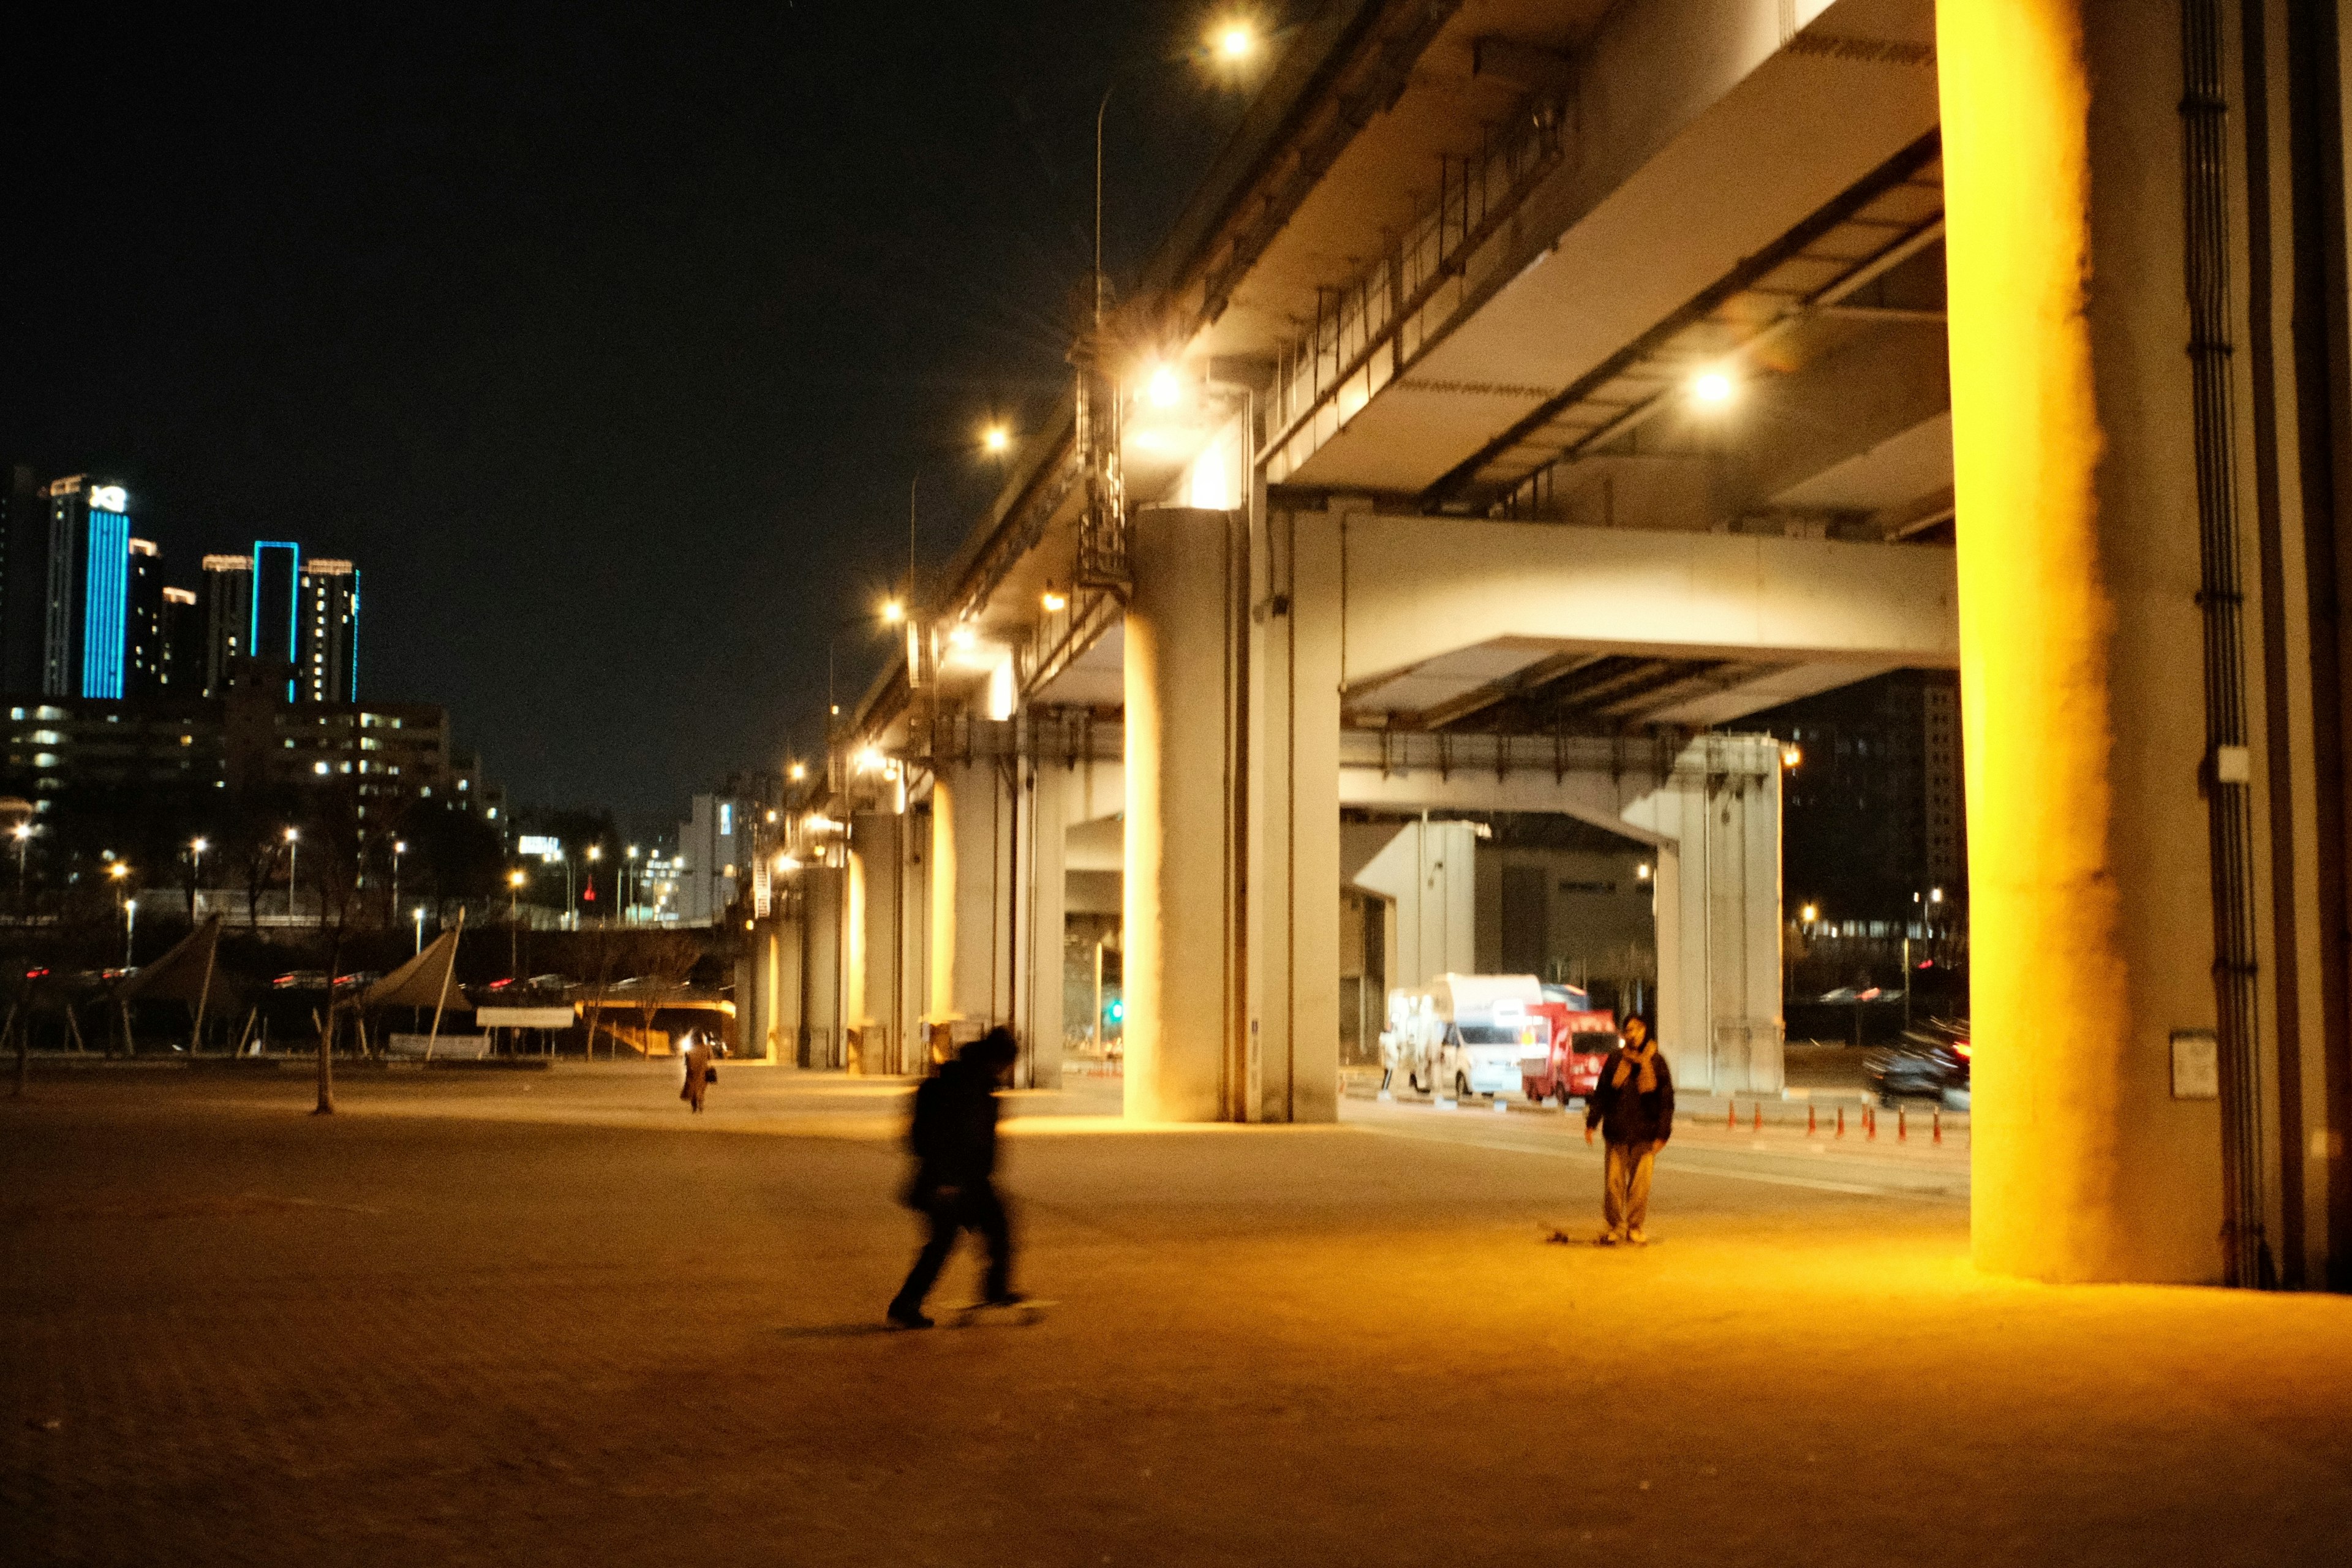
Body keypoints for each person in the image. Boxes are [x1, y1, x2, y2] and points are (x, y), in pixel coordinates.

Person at [888, 1027, 1022, 1329]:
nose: (1008, 1069)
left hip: (969, 1179)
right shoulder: (964, 1087)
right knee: (946, 1242)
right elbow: (942, 1138)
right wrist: (946, 1181)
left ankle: (992, 1290)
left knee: (991, 1229)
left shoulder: (976, 1083)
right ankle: (906, 1304)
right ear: (996, 1059)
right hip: (950, 1182)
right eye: (1007, 1062)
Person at [1583, 1014, 1673, 1245]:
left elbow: (1666, 1101)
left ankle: (1635, 1227)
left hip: (1646, 1135)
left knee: (1640, 1187)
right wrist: (1592, 1123)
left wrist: (1663, 1133)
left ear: (1645, 1031)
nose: (1632, 1034)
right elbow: (1602, 1094)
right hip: (1617, 1133)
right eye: (1628, 1030)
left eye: (1636, 1029)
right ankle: (1616, 1226)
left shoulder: (1657, 1063)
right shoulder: (1615, 1061)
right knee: (1613, 1185)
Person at [680, 1031, 714, 1114]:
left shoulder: (691, 1049)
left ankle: (694, 1107)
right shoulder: (707, 1048)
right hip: (703, 1071)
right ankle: (701, 1104)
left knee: (693, 1089)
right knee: (701, 1089)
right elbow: (711, 1058)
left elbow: (687, 1060)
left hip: (692, 1072)